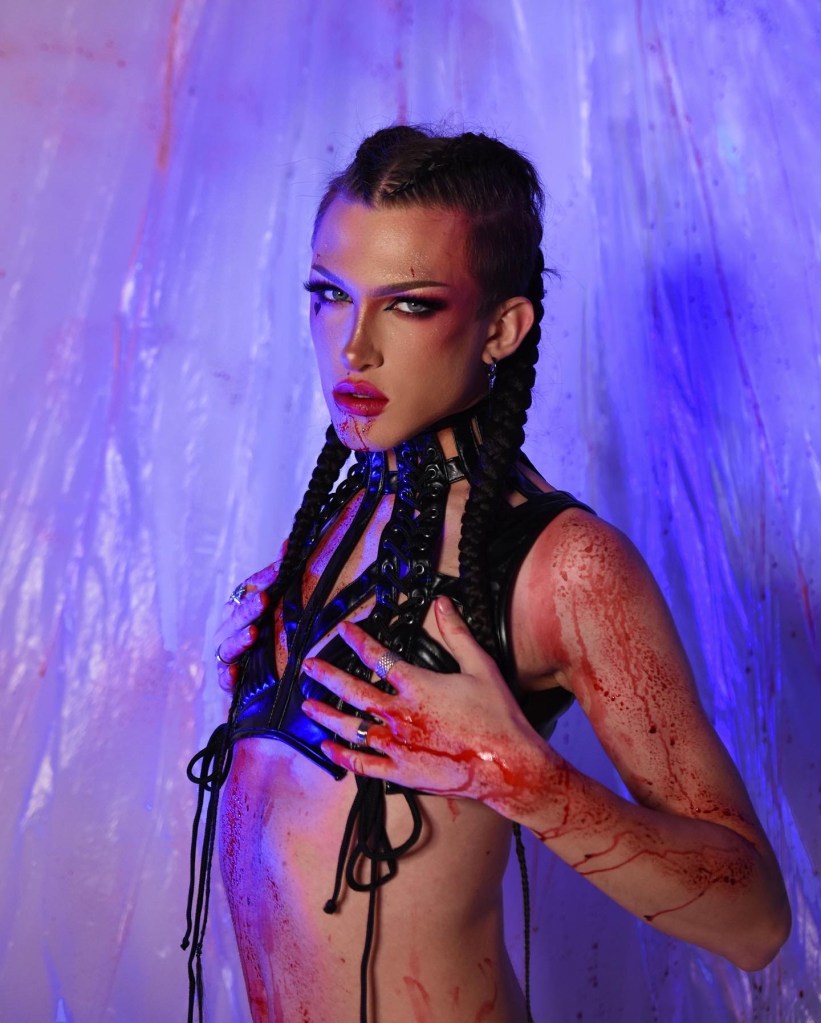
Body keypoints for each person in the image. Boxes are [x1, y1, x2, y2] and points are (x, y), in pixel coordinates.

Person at [183, 125, 790, 1023]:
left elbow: (756, 920)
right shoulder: (332, 525)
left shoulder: (565, 567)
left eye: (409, 305)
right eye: (329, 294)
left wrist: (526, 779)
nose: (352, 348)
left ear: (501, 327)